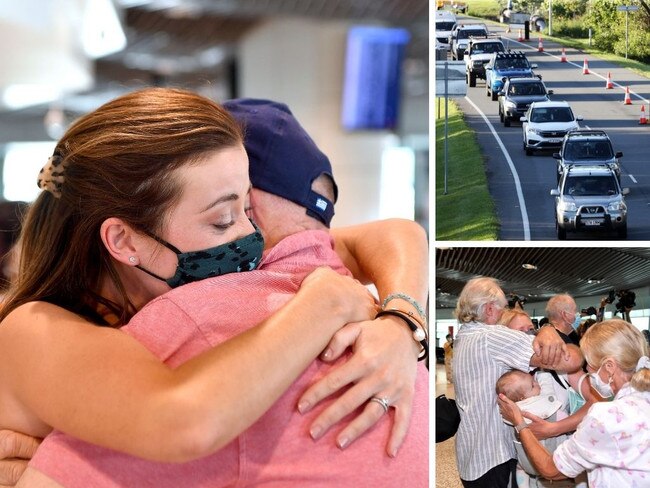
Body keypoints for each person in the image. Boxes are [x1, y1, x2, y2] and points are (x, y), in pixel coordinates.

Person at [0, 90, 428, 485]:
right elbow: (183, 421)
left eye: (247, 209)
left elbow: (388, 235)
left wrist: (402, 323)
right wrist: (323, 304)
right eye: (222, 220)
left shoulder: (158, 306)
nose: (249, 236)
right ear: (124, 240)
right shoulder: (33, 328)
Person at [452, 277, 583, 488]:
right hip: (494, 455)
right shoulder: (491, 337)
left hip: (471, 453)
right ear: (489, 309)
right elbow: (571, 360)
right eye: (503, 309)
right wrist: (548, 330)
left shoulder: (463, 337)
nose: (504, 314)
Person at [499, 319, 650, 486]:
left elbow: (551, 469)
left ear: (609, 366)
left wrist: (520, 424)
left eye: (590, 365)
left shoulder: (605, 417)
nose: (587, 371)